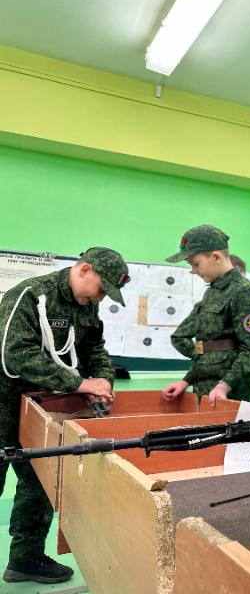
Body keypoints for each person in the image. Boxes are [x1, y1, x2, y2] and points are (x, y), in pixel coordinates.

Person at [0, 247, 128, 584]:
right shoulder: (31, 296)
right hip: (3, 398)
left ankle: (25, 559)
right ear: (84, 269)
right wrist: (79, 383)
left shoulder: (86, 306)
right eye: (102, 288)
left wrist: (103, 381)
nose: (101, 297)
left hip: (39, 405)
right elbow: (16, 354)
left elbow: (94, 349)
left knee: (38, 480)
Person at [162, 225, 250, 406]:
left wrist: (224, 385)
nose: (194, 271)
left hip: (226, 393)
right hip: (203, 389)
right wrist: (186, 381)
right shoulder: (211, 293)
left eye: (196, 264)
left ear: (216, 257)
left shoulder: (243, 292)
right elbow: (207, 351)